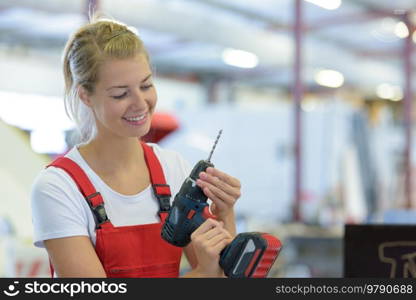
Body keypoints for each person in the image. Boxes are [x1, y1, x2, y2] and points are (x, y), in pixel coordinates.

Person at [30, 18, 241, 278]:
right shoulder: (58, 187)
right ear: (85, 95)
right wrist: (202, 277)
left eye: (146, 85)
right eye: (121, 94)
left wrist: (225, 214)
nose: (141, 104)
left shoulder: (172, 168)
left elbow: (220, 275)